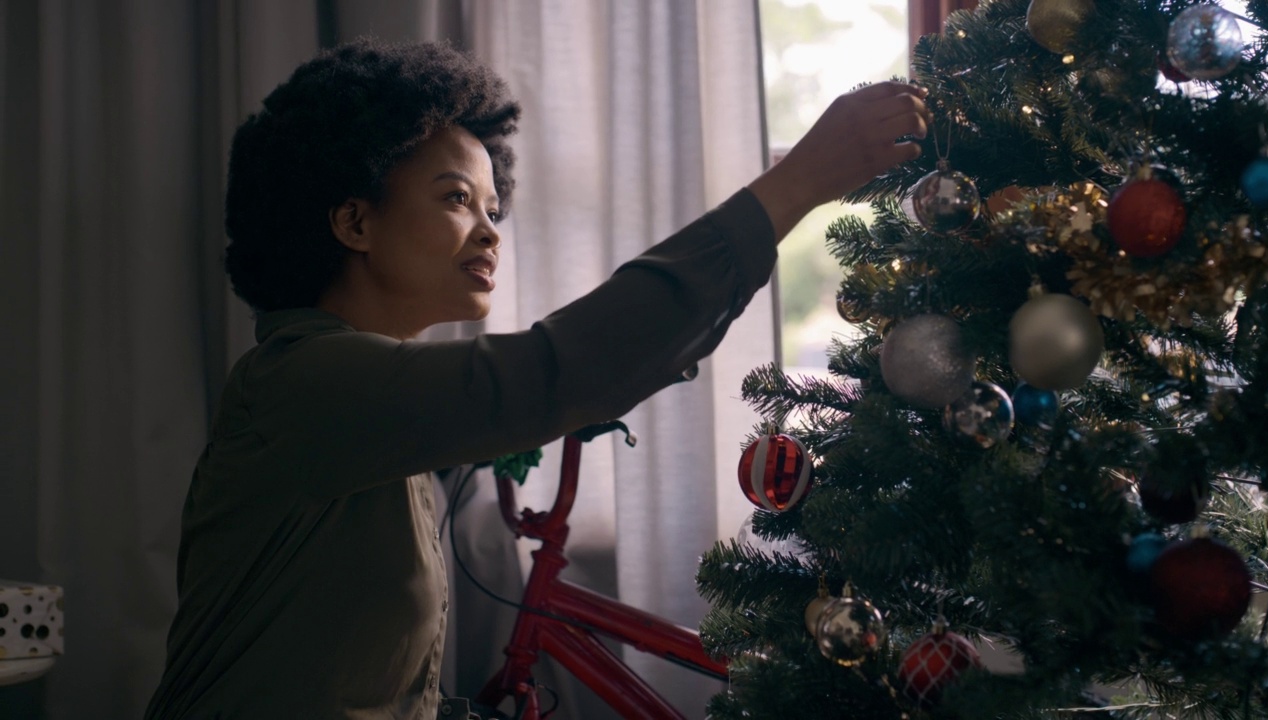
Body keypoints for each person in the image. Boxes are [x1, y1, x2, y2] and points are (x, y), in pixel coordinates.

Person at [145, 38, 928, 720]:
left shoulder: (373, 400)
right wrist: (791, 187)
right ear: (354, 223)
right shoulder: (305, 382)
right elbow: (562, 369)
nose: (489, 229)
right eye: (456, 199)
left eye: (493, 206)